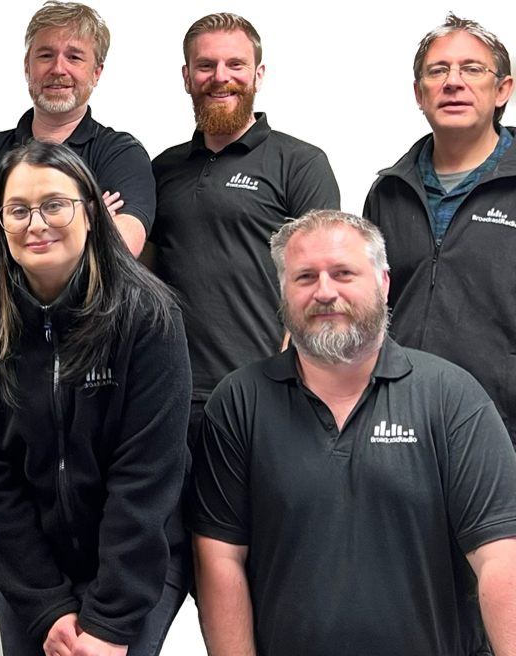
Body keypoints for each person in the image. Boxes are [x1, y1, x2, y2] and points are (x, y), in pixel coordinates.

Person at [190, 209, 516, 655]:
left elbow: (501, 554)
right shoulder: (239, 402)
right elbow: (220, 556)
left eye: (343, 273)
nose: (325, 292)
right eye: (305, 277)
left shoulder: (451, 397)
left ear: (383, 283)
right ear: (283, 292)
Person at [0, 140, 190, 656]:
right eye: (18, 210)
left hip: (136, 565)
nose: (37, 223)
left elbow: (146, 477)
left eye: (55, 204)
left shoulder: (147, 317)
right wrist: (47, 606)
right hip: (32, 575)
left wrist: (109, 622)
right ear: (0, 225)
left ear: (91, 213)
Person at [149, 11, 340, 447]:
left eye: (235, 65)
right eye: (205, 66)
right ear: (186, 77)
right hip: (170, 397)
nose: (221, 78)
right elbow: (143, 272)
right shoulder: (162, 167)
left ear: (259, 74)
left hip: (264, 395)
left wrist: (289, 381)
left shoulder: (300, 162)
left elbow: (320, 276)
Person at [363, 11, 516, 446]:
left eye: (472, 68)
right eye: (438, 70)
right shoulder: (387, 192)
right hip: (397, 423)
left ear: (503, 88)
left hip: (501, 428)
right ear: (418, 93)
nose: (453, 82)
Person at [0, 1, 153, 274]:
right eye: (45, 55)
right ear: (27, 67)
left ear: (97, 73)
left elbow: (123, 246)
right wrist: (83, 225)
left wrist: (1, 235)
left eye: (74, 57)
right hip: (0, 317)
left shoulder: (122, 154)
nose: (58, 69)